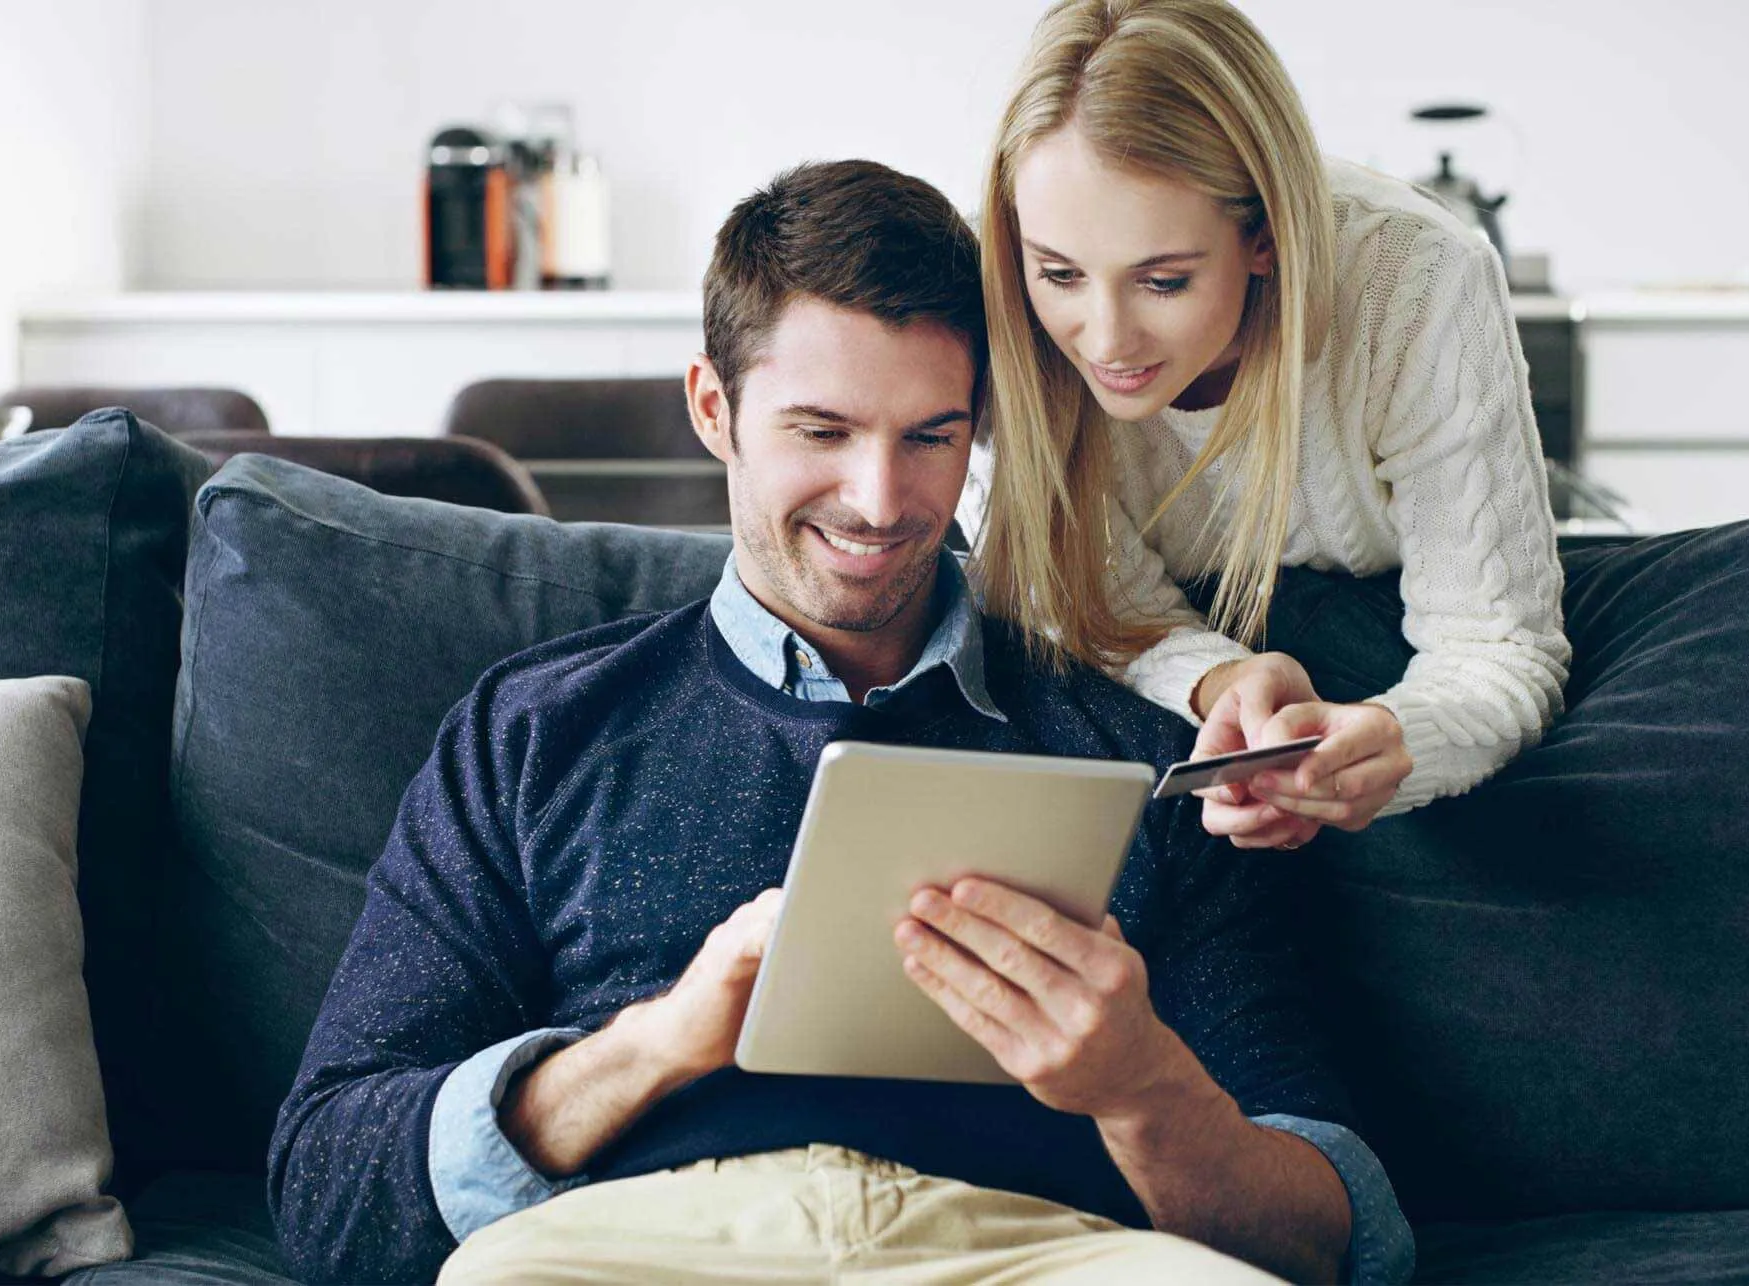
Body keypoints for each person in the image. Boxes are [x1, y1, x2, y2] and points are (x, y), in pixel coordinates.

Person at [268, 159, 1412, 1286]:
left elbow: (1336, 1237)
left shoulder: (1140, 746)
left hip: (1030, 1246)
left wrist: (1140, 1084)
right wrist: (654, 1044)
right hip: (649, 1246)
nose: (878, 501)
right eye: (821, 431)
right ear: (714, 408)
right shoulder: (533, 733)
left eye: (929, 437)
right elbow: (326, 1187)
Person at [964, 0, 1570, 850]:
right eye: (1059, 273)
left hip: (1393, 616)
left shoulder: (1418, 276)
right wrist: (1220, 681)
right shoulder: (990, 302)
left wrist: (1396, 743)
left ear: (1264, 238)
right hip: (1193, 646)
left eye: (1163, 282)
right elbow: (1090, 607)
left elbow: (1495, 644)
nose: (1105, 341)